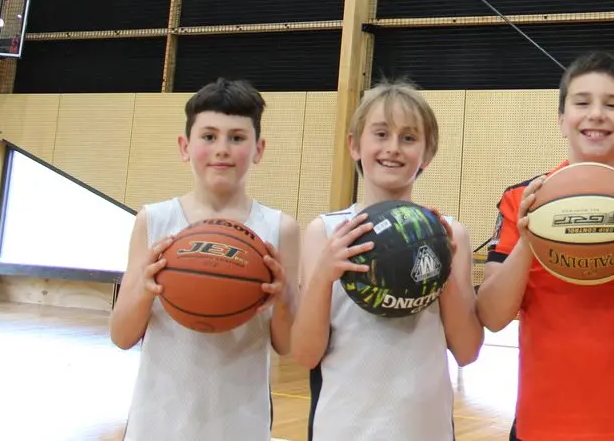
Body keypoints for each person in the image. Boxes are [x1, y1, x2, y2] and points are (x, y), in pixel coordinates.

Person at [476, 50, 614, 441]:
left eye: (612, 105)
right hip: (542, 425)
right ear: (562, 120)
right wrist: (530, 240)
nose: (596, 114)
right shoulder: (522, 199)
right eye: (582, 103)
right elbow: (492, 316)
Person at [291, 80, 482, 440]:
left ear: (427, 154)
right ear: (354, 145)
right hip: (343, 429)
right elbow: (304, 354)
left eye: (409, 138)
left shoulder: (450, 234)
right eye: (381, 134)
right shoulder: (325, 231)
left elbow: (468, 351)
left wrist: (443, 273)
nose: (393, 148)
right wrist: (322, 277)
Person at [110, 78, 300, 441]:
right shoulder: (154, 221)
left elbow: (287, 345)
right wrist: (145, 290)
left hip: (241, 423)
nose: (222, 149)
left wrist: (286, 298)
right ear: (185, 146)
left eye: (237, 138)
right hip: (157, 422)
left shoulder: (281, 230)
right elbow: (121, 336)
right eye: (209, 136)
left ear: (259, 149)